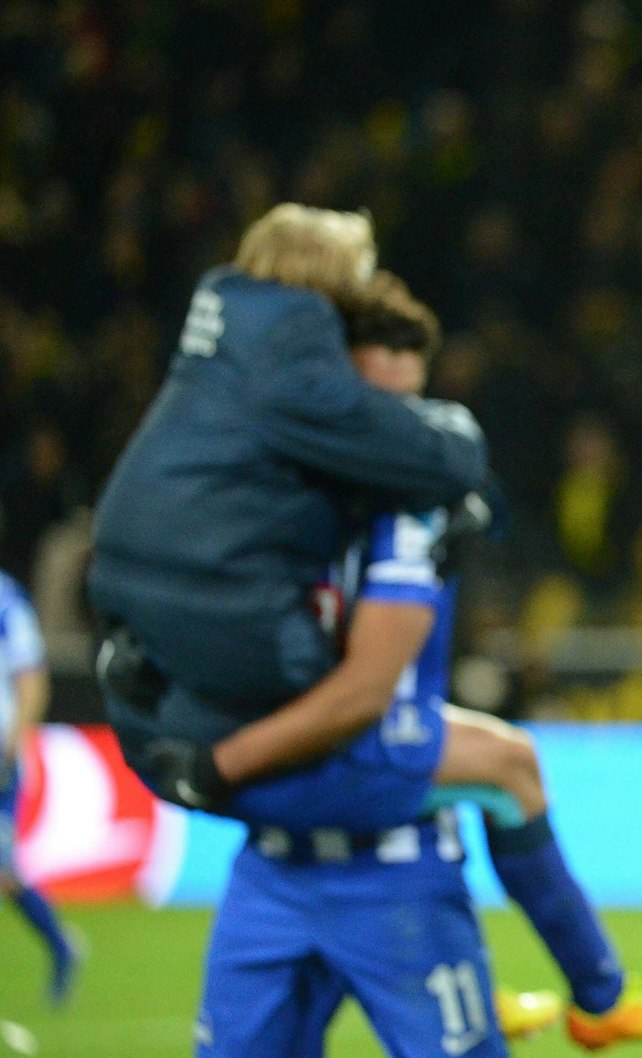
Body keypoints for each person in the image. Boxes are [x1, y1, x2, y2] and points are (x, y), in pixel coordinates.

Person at [191, 273, 642, 1055]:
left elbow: (376, 690)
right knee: (510, 766)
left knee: (510, 765)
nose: (391, 428)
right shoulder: (267, 500)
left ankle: (584, 992)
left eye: (406, 406)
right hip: (278, 859)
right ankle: (595, 994)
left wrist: (221, 758)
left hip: (393, 857)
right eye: (374, 404)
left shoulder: (416, 504)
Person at [87, 203, 487, 803]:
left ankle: (167, 718)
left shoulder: (221, 349)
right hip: (222, 598)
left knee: (175, 717)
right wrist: (457, 438)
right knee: (333, 711)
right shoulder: (291, 348)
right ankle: (208, 769)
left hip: (134, 586)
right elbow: (417, 456)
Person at [0, 569, 77, 1006]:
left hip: (0, 762)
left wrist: (12, 746)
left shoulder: (6, 600)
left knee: (4, 872)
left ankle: (61, 947)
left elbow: (31, 678)